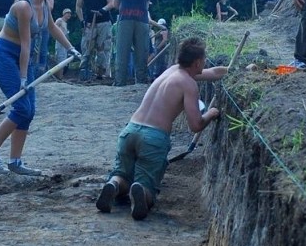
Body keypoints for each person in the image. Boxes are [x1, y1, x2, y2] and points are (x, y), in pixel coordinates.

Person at [95, 37, 224, 220]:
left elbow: (213, 72)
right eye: (204, 59)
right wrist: (211, 113)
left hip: (130, 131)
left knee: (122, 173)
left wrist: (234, 70)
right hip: (153, 138)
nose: (205, 63)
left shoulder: (171, 70)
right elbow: (195, 125)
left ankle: (114, 184)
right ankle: (141, 192)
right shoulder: (189, 84)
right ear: (197, 62)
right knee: (145, 183)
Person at [0, 0, 81, 176]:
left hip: (24, 57)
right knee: (21, 108)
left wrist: (71, 48)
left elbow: (52, 27)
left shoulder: (43, 4)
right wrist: (23, 78)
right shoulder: (23, 7)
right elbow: (25, 44)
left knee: (29, 111)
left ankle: (15, 162)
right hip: (5, 55)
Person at [111, 0, 152, 86]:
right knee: (141, 53)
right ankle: (141, 81)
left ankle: (120, 82)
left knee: (122, 52)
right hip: (142, 21)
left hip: (125, 20)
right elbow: (147, 4)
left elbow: (115, 4)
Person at [75, 0, 114, 80]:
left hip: (104, 22)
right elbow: (78, 6)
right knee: (86, 47)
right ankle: (84, 71)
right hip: (89, 22)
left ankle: (102, 72)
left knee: (104, 48)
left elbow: (111, 2)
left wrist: (103, 9)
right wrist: (81, 20)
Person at [54, 8, 72, 79]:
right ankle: (59, 76)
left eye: (70, 13)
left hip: (65, 44)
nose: (69, 15)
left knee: (64, 60)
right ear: (64, 14)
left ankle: (61, 76)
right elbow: (54, 28)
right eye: (68, 13)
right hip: (59, 42)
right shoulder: (59, 20)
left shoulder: (65, 23)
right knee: (60, 59)